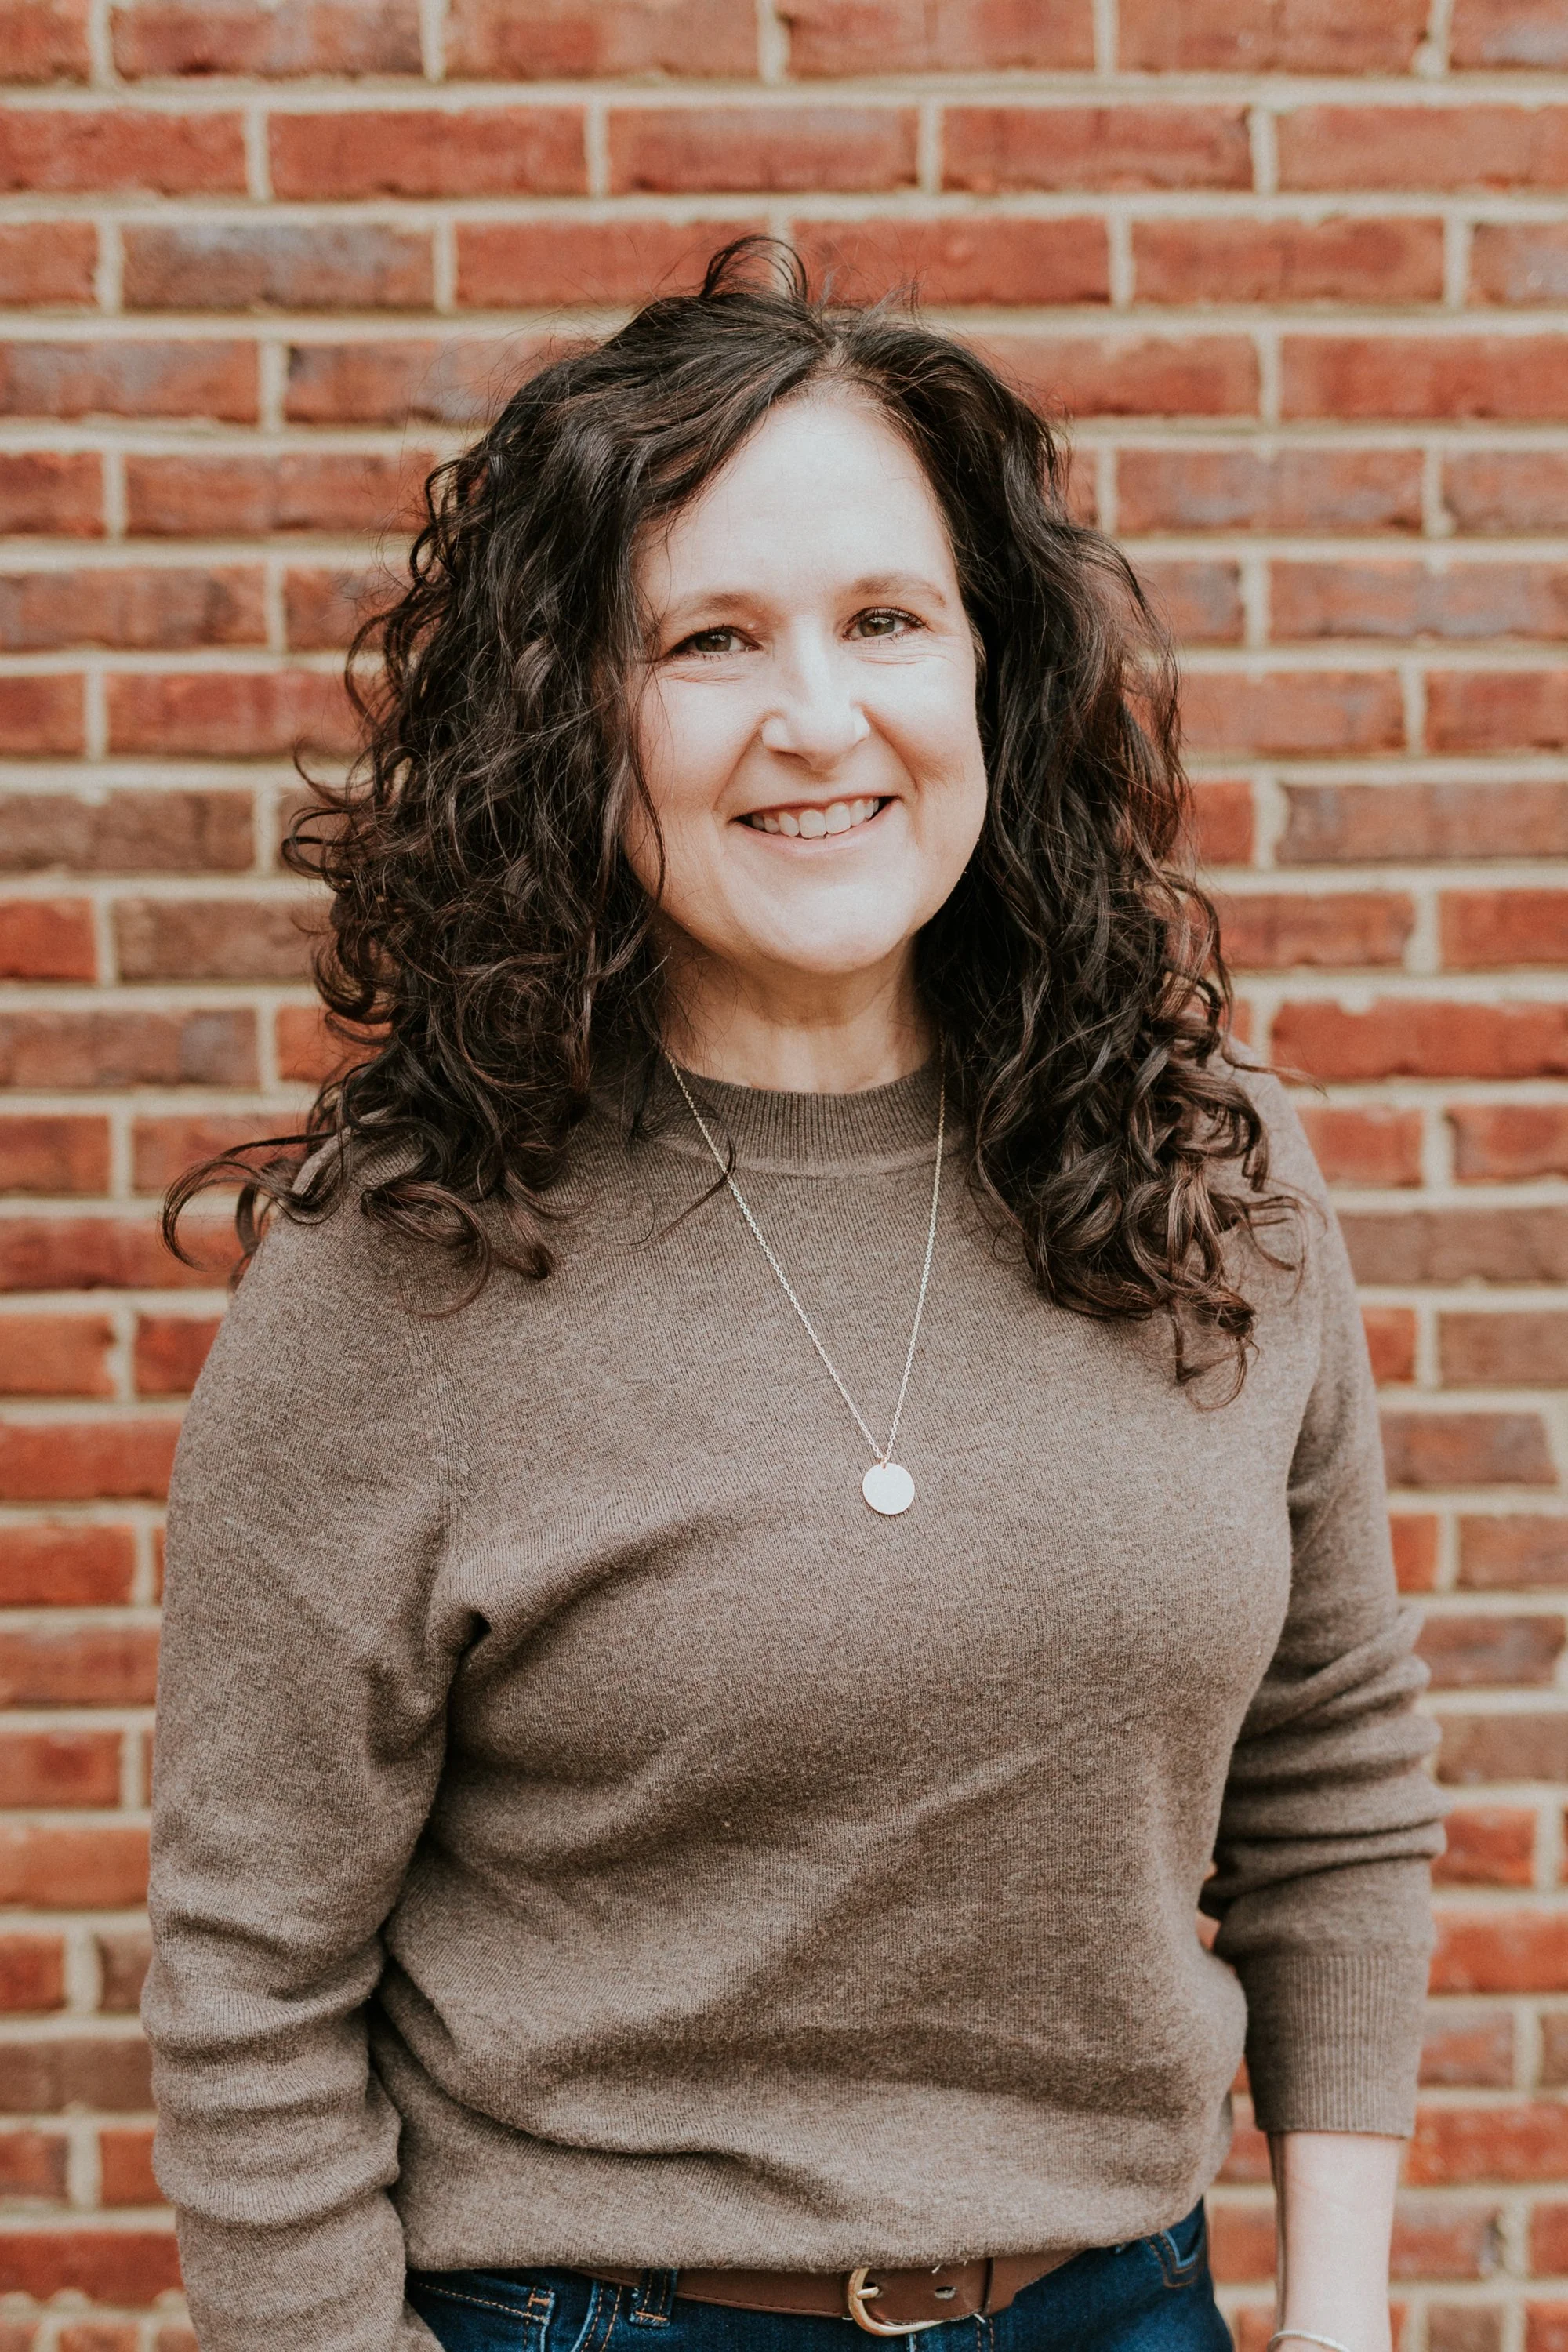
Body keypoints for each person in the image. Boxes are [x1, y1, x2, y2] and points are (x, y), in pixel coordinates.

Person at [146, 241, 1444, 2352]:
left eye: (882, 623)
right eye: (710, 640)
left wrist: (1349, 2310)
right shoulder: (404, 1264)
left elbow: (1333, 1773)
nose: (815, 719)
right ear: (575, 713)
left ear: (986, 675)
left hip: (1130, 2307)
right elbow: (249, 1973)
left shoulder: (1216, 1176)